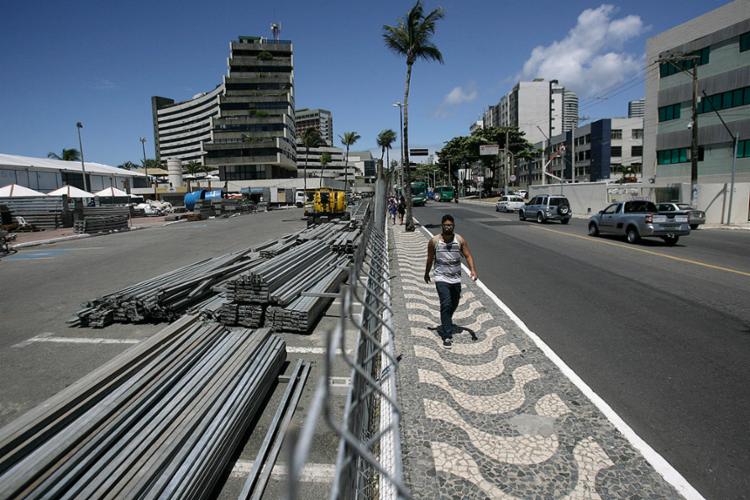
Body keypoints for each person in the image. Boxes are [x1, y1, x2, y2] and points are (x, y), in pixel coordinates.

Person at [424, 214, 478, 348]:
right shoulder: (434, 241)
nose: (448, 227)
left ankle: (446, 320)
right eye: (446, 225)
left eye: (450, 225)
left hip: (455, 278)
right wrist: (426, 273)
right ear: (442, 225)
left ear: (454, 226)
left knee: (454, 303)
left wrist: (473, 270)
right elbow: (430, 258)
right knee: (446, 303)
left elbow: (468, 255)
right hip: (441, 277)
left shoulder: (459, 240)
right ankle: (447, 335)